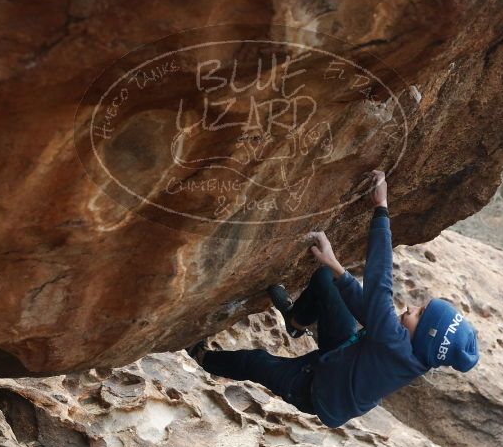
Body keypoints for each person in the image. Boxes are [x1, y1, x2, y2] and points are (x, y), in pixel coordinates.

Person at [187, 170, 479, 428]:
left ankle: (202, 357)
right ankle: (296, 321)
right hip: (342, 355)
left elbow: (379, 283)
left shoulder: (394, 342)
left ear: (426, 339)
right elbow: (369, 311)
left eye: (419, 313)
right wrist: (336, 268)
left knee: (255, 362)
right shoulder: (412, 349)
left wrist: (381, 208)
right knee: (329, 280)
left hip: (313, 389)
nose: (411, 308)